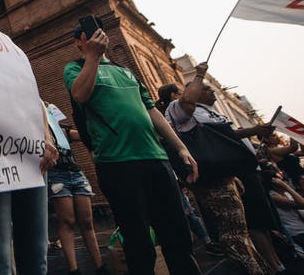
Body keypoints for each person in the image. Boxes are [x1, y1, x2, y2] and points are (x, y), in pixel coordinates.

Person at [63, 16, 201, 275]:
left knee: (178, 238)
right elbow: (80, 95)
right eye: (88, 33)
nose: (97, 34)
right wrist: (93, 57)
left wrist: (180, 147)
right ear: (79, 41)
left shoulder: (126, 71)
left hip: (156, 158)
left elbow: (152, 111)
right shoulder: (74, 67)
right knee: (139, 244)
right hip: (116, 163)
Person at [0, 3, 59, 275]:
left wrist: (46, 134)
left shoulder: (14, 54)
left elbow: (34, 96)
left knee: (37, 253)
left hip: (30, 157)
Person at [165, 64, 270, 274]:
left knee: (240, 228)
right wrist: (200, 74)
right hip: (207, 177)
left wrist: (230, 175)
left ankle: (261, 268)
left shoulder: (208, 113)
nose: (211, 90)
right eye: (204, 88)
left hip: (223, 176)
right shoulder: (178, 107)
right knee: (232, 231)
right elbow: (187, 101)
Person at [44, 101, 109, 275]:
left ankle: (100, 266)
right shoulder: (39, 130)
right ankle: (74, 269)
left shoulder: (61, 131)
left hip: (76, 172)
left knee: (87, 221)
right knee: (67, 221)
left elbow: (82, 135)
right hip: (56, 175)